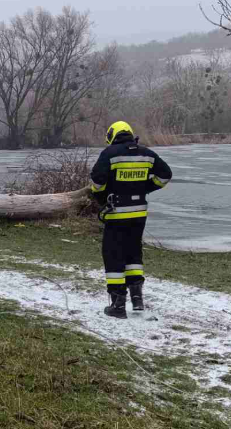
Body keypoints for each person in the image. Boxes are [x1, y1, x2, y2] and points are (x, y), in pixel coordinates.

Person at [89, 121, 172, 319]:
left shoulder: (109, 154)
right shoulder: (147, 154)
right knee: (134, 253)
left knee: (113, 254)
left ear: (112, 135)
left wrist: (101, 197)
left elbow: (97, 182)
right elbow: (165, 175)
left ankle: (117, 304)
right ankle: (137, 299)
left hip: (117, 213)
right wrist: (145, 187)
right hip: (139, 214)